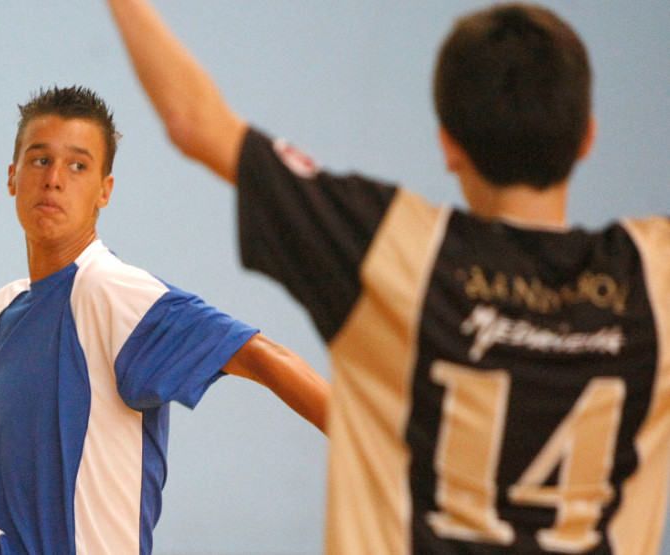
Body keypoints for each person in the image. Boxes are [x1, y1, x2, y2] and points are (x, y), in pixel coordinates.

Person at [106, 1, 670, 553]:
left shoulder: (396, 249)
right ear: (588, 137)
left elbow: (194, 122)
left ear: (448, 143)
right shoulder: (655, 273)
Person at [0, 85, 329, 555]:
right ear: (12, 177)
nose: (54, 179)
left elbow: (262, 356)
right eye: (39, 160)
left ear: (104, 191)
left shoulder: (113, 293)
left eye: (77, 165)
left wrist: (389, 456)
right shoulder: (4, 311)